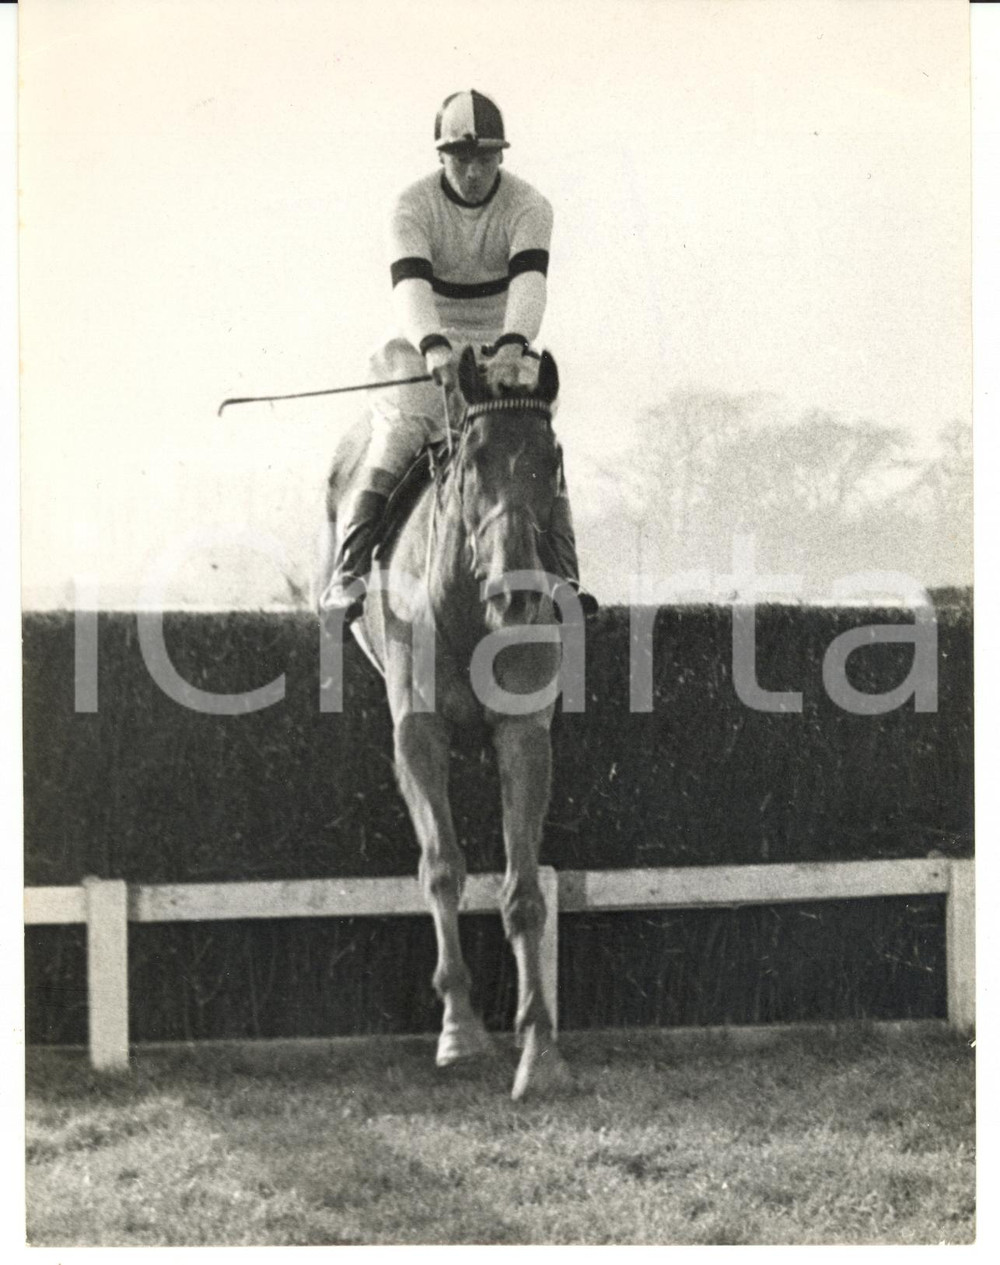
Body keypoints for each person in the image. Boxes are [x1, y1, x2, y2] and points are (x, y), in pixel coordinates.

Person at [320, 88, 597, 622]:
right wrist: (434, 347)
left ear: (501, 156)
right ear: (442, 156)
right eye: (461, 159)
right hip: (424, 347)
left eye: (485, 159)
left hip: (501, 347)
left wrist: (513, 344)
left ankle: (565, 577)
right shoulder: (409, 206)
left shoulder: (530, 206)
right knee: (396, 442)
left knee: (535, 447)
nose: (474, 172)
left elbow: (529, 286)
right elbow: (411, 290)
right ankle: (348, 575)